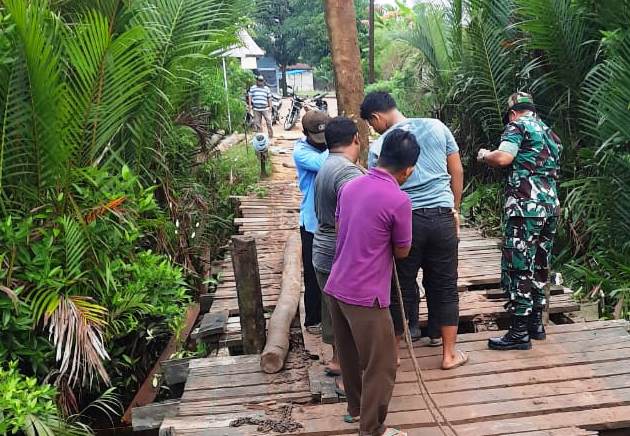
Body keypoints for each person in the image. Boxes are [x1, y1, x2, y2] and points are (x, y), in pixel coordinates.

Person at [360, 91, 467, 370]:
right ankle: (448, 354)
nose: (374, 129)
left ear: (377, 117)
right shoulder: (437, 126)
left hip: (405, 220)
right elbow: (456, 170)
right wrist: (454, 208)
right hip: (442, 218)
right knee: (445, 285)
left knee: (400, 287)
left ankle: (394, 354)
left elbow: (380, 189)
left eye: (372, 124)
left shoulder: (380, 146)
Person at [325, 129, 417, 436]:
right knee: (382, 364)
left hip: (337, 286)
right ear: (409, 169)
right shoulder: (399, 200)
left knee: (350, 357)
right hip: (367, 295)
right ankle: (373, 429)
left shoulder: (350, 187)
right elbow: (402, 251)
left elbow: (341, 228)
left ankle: (355, 411)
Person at [477, 92, 562, 351]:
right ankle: (537, 324)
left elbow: (504, 157)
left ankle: (518, 332)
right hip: (550, 207)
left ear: (513, 113)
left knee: (518, 267)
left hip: (525, 207)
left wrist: (484, 155)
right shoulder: (550, 134)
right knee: (539, 264)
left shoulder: (517, 126)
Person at [312, 117, 363, 376]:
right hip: (338, 250)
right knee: (349, 309)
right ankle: (348, 366)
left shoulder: (328, 165)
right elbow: (351, 214)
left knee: (332, 307)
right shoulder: (347, 172)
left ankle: (337, 359)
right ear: (356, 138)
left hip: (322, 247)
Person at [293, 110, 331, 333]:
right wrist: (339, 143)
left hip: (333, 220)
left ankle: (333, 317)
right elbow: (323, 163)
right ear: (305, 132)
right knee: (312, 271)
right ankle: (313, 318)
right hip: (312, 221)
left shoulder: (328, 147)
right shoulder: (301, 151)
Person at [248, 75, 273, 139]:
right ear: (256, 81)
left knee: (269, 121)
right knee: (258, 123)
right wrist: (250, 106)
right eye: (259, 80)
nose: (260, 82)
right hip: (256, 108)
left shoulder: (266, 89)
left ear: (263, 81)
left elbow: (269, 98)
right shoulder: (253, 88)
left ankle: (270, 135)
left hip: (265, 108)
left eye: (261, 81)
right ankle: (261, 137)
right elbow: (250, 96)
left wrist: (270, 107)